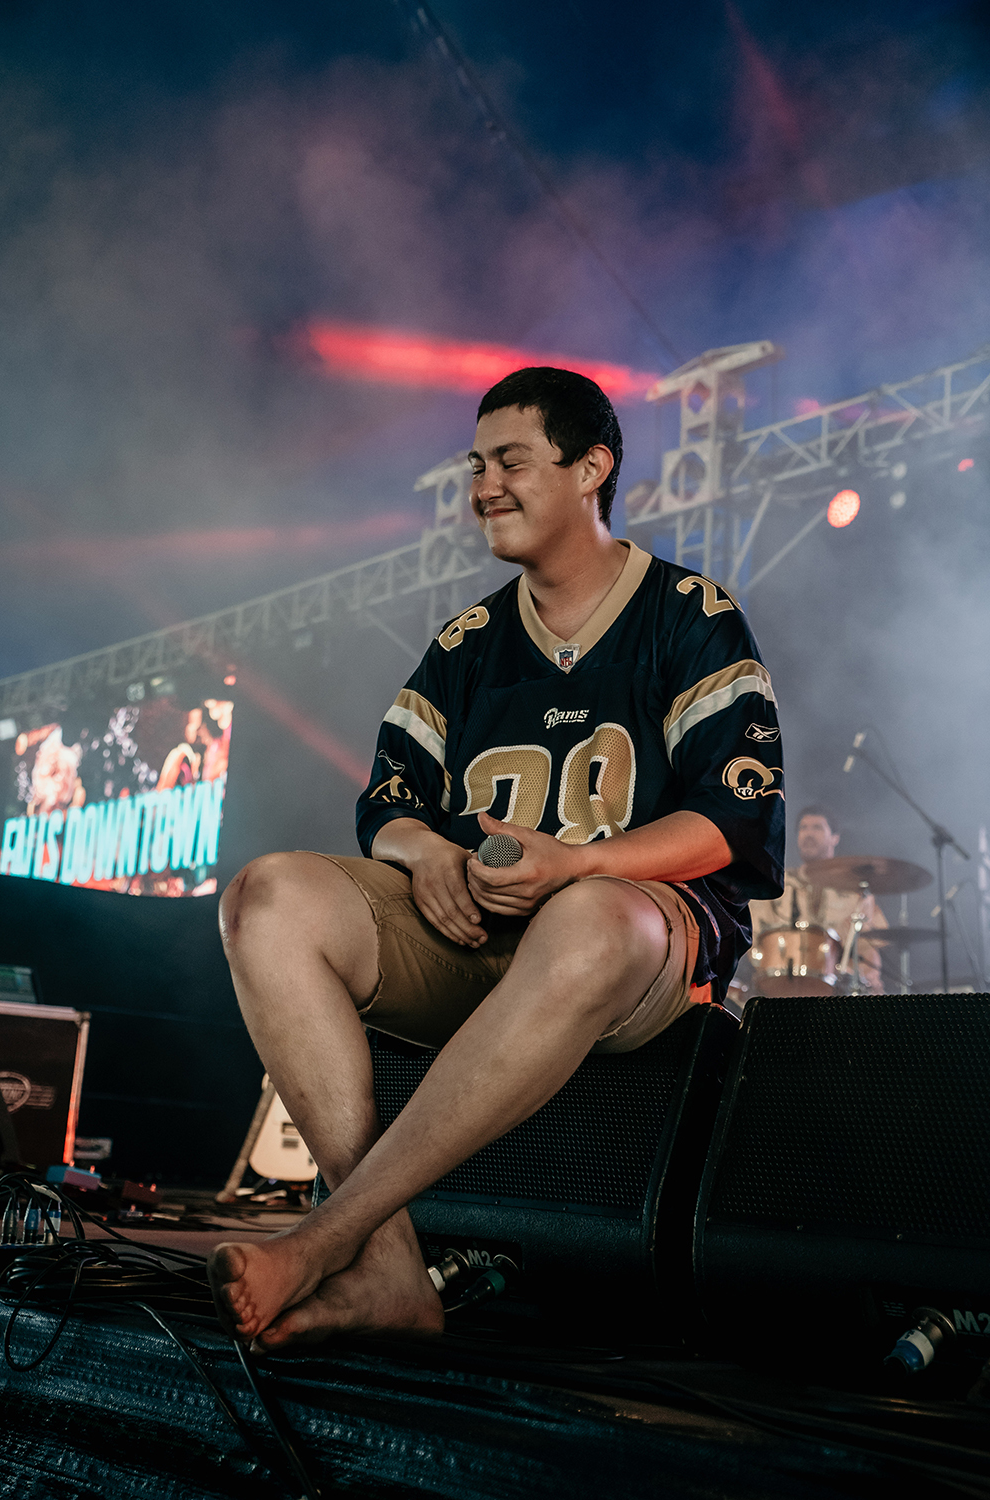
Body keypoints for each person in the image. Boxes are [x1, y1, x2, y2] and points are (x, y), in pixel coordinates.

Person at [208, 366, 785, 1351]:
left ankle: (325, 1239)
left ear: (590, 467)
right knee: (269, 897)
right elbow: (386, 798)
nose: (483, 487)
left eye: (511, 460)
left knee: (589, 913)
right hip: (479, 941)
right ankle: (387, 1272)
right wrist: (425, 852)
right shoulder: (468, 641)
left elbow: (731, 817)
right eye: (476, 465)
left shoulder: (688, 612)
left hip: (636, 952)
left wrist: (570, 867)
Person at [748, 806, 888, 993]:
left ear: (835, 837)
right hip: (782, 985)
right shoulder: (779, 883)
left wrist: (865, 975)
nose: (808, 834)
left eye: (817, 828)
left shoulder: (855, 891)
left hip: (837, 990)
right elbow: (753, 934)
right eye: (803, 828)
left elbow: (869, 946)